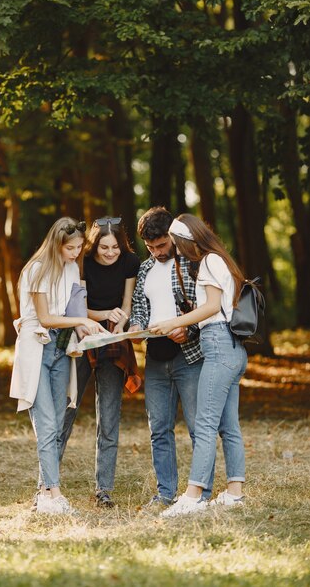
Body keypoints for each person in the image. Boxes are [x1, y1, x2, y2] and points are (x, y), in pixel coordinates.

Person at [150, 213, 248, 516]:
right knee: (228, 426)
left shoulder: (207, 261)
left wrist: (172, 322)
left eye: (177, 244)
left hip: (218, 345)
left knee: (204, 423)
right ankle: (234, 492)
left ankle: (192, 497)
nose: (176, 251)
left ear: (188, 241)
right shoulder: (221, 259)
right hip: (233, 347)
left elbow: (211, 307)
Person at [9, 217, 104, 515]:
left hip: (61, 350)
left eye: (79, 248)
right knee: (47, 424)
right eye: (70, 248)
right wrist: (81, 321)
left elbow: (74, 311)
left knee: (57, 423)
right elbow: (47, 318)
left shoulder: (73, 268)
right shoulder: (36, 270)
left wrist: (89, 327)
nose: (75, 253)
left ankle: (45, 493)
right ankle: (54, 494)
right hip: (37, 348)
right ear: (56, 243)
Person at [128, 206, 210, 508]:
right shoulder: (147, 268)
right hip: (156, 358)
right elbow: (139, 304)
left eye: (161, 245)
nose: (156, 251)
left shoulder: (192, 263)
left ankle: (202, 492)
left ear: (172, 236)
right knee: (158, 428)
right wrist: (136, 323)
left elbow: (210, 307)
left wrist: (189, 331)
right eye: (150, 247)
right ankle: (165, 493)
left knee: (197, 426)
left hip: (189, 355)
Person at [59, 216, 140, 507]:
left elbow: (127, 305)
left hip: (113, 342)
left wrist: (121, 324)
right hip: (84, 338)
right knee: (67, 409)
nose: (110, 253)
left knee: (109, 418)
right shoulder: (82, 262)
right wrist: (105, 315)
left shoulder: (130, 262)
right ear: (94, 246)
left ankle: (103, 489)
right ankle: (48, 486)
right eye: (104, 247)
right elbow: (79, 308)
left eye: (115, 247)